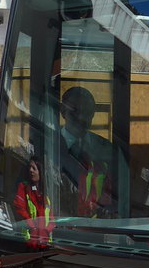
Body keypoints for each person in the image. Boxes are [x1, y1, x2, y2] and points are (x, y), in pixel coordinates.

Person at [58, 86, 114, 217]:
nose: (81, 118)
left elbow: (118, 195)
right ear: (62, 111)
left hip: (99, 225)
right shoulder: (46, 145)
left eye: (87, 112)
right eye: (75, 111)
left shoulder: (106, 149)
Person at [14, 155, 52, 245]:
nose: (30, 170)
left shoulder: (45, 194)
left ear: (40, 172)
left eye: (34, 168)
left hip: (45, 242)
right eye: (29, 167)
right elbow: (19, 208)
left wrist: (47, 231)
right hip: (29, 240)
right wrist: (32, 226)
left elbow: (51, 219)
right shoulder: (23, 187)